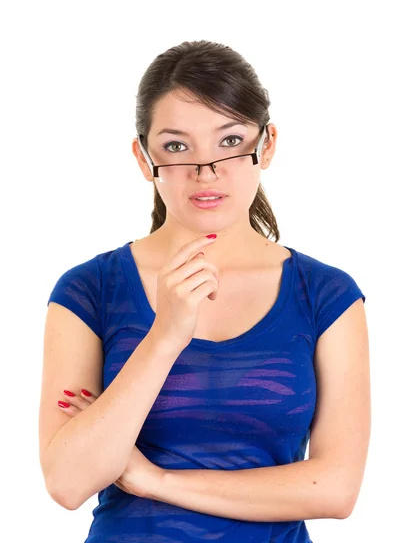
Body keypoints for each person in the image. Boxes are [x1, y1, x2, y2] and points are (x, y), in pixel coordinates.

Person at [39, 40, 371, 543]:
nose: (206, 170)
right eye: (177, 146)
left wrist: (156, 480)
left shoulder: (326, 295)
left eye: (230, 140)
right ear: (143, 156)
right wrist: (166, 335)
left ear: (268, 144)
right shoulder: (90, 290)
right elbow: (67, 482)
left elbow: (336, 489)